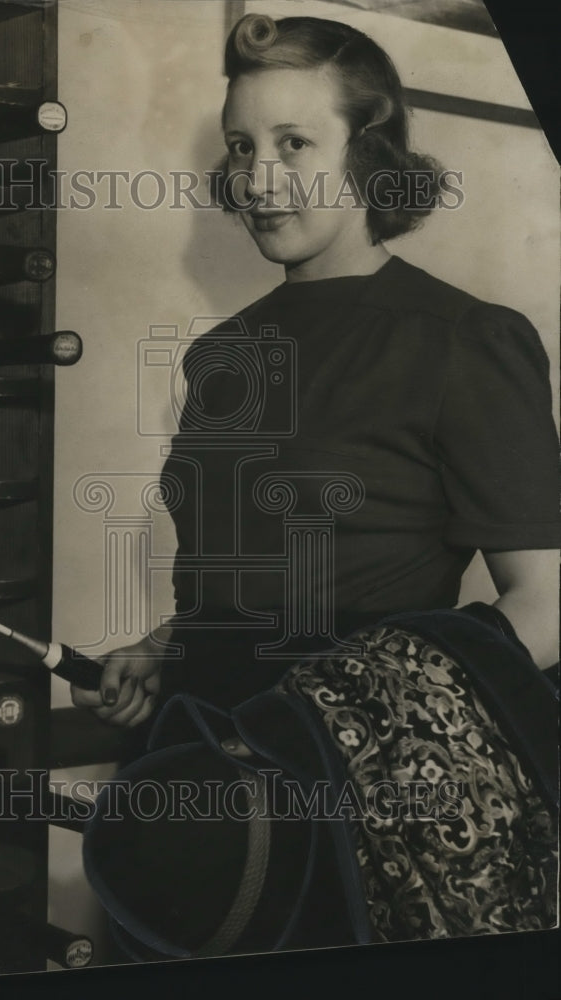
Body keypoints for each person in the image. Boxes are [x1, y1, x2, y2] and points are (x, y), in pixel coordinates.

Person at [71, 12, 560, 728]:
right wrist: (165, 648)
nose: (257, 179)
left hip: (358, 782)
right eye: (241, 146)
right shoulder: (222, 353)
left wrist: (361, 722)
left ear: (368, 154)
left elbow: (546, 608)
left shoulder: (464, 341)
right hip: (208, 753)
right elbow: (250, 591)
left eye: (293, 143)